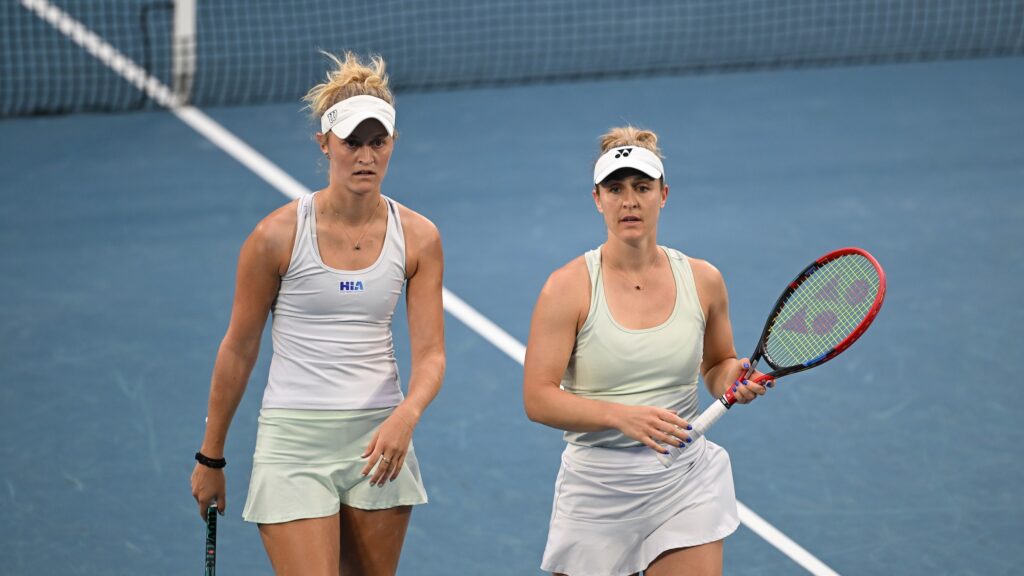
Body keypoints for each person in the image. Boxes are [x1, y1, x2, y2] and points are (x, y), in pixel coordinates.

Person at [190, 52, 445, 576]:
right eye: (352, 142)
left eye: (378, 142)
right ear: (325, 143)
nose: (366, 156)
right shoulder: (275, 237)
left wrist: (405, 417)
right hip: (293, 445)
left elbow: (432, 355)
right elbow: (238, 348)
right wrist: (210, 456)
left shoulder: (419, 237)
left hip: (380, 443)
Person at [522, 126, 771, 576]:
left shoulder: (703, 280)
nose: (629, 201)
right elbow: (537, 398)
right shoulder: (567, 288)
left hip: (682, 479)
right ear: (597, 198)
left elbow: (717, 365)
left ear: (663, 194)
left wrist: (733, 377)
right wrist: (621, 416)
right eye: (615, 189)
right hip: (597, 488)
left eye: (642, 187)